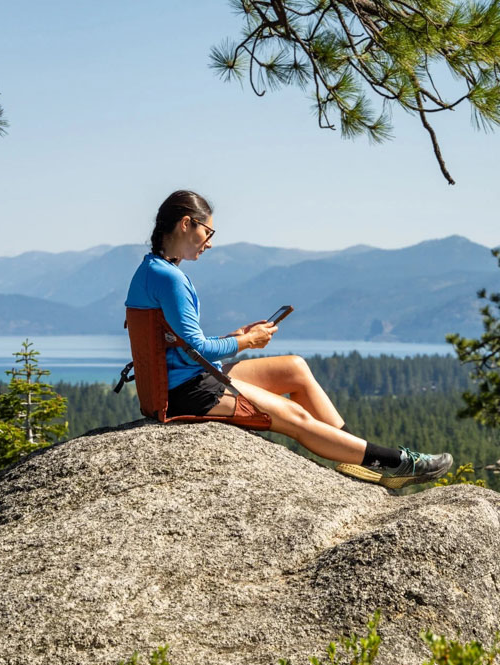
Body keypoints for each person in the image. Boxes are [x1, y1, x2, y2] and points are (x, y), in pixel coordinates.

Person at [125, 189, 453, 488]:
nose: (209, 242)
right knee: (295, 418)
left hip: (182, 378)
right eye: (207, 232)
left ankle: (355, 458)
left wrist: (232, 337)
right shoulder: (170, 278)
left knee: (294, 368)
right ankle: (396, 462)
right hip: (187, 391)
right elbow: (195, 347)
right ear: (186, 224)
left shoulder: (152, 269)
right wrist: (247, 341)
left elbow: (178, 342)